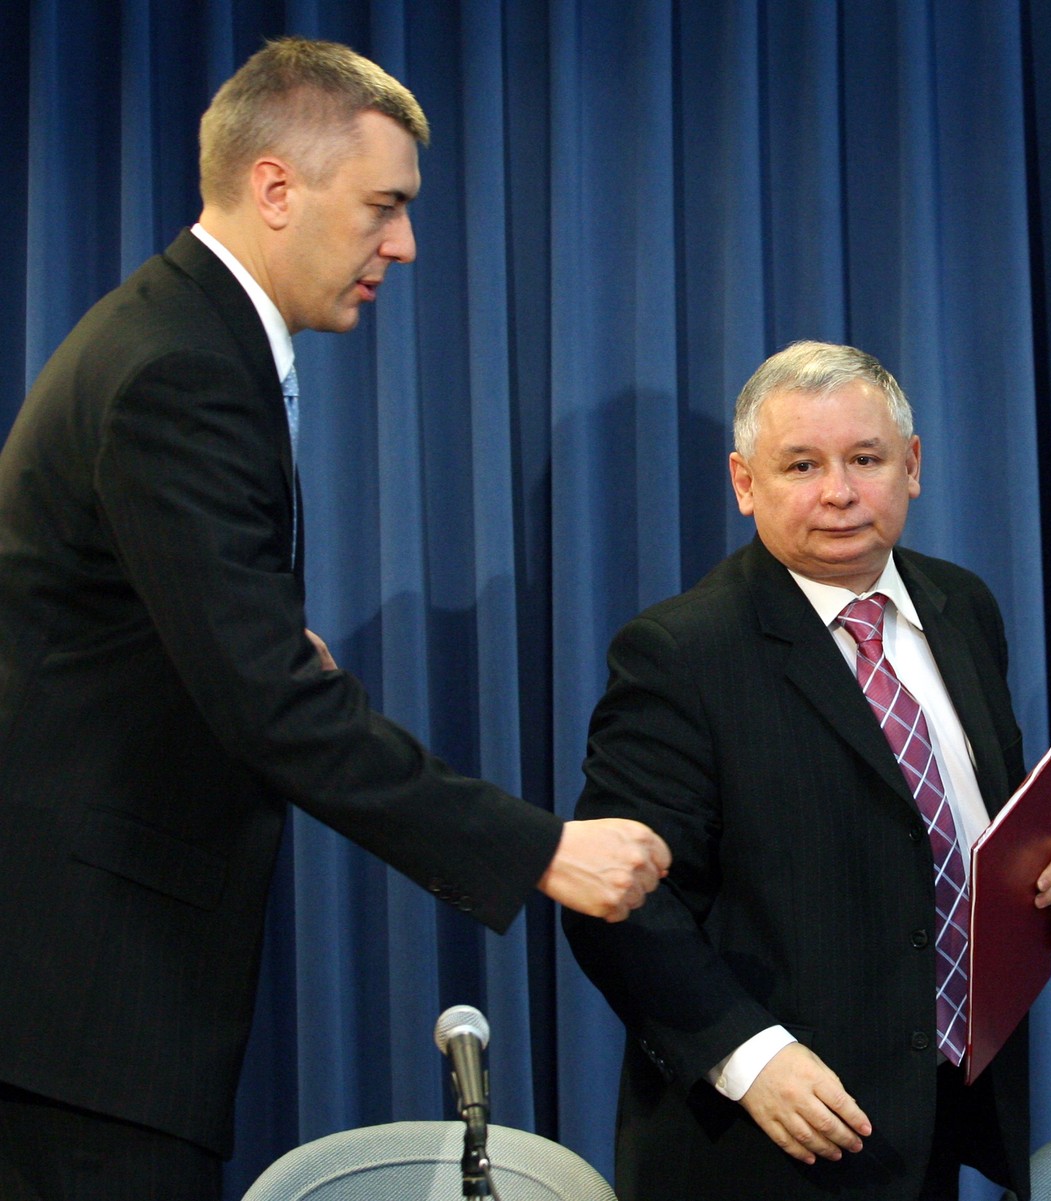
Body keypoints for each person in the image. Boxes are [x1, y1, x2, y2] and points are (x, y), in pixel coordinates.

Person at [0, 38, 669, 1200]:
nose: (402, 245)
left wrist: (238, 647)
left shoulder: (180, 335)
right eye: (383, 206)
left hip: (82, 1005)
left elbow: (194, 647)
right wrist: (542, 848)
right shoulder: (179, 368)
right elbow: (269, 701)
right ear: (275, 188)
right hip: (81, 1009)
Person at [563, 341, 1051, 1200]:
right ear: (744, 483)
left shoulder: (962, 606)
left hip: (943, 1113)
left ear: (912, 465)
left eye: (866, 459)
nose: (840, 492)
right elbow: (619, 904)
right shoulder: (681, 652)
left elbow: (959, 817)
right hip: (770, 1142)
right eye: (802, 465)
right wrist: (750, 1057)